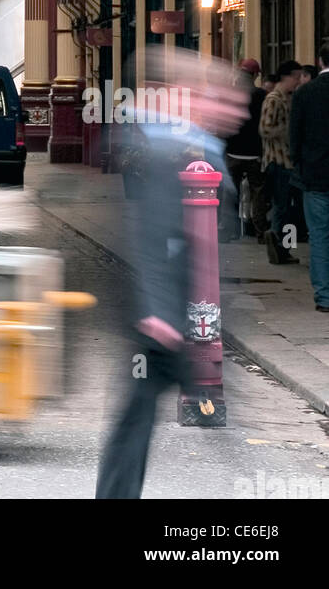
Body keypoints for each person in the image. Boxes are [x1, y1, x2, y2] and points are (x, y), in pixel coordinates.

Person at [95, 48, 247, 500]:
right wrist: (159, 311)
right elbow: (151, 231)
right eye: (223, 102)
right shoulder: (172, 149)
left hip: (183, 310)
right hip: (165, 315)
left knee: (143, 417)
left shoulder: (192, 144)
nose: (235, 113)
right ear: (190, 96)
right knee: (142, 417)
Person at [290, 43, 329, 312]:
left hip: (315, 175)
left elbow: (295, 136)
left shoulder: (305, 93)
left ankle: (325, 296)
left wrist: (298, 166)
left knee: (319, 236)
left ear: (319, 61)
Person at [260, 60, 303, 266]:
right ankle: (278, 244)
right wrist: (288, 133)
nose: (298, 81)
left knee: (289, 207)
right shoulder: (274, 99)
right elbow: (265, 129)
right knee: (281, 206)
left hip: (290, 162)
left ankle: (286, 247)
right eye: (296, 77)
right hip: (278, 161)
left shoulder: (289, 98)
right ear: (286, 77)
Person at [223, 59, 269, 243]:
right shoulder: (261, 95)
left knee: (231, 193)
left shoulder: (230, 94)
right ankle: (260, 232)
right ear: (256, 75)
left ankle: (230, 230)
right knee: (258, 193)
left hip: (233, 152)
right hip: (254, 153)